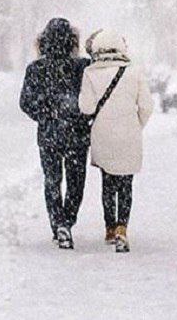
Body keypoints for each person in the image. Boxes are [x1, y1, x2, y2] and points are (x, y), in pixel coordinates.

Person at [79, 29, 153, 253]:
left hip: (102, 134)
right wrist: (136, 125)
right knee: (126, 183)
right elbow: (147, 106)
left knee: (108, 182)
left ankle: (110, 228)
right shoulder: (134, 72)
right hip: (129, 134)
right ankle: (122, 227)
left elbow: (86, 108)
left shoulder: (90, 73)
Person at [19, 18, 90, 249]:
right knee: (76, 182)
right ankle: (67, 221)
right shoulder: (83, 67)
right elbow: (92, 99)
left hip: (49, 135)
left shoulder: (36, 69)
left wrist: (45, 115)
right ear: (72, 40)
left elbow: (25, 102)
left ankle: (57, 223)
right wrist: (81, 116)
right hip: (77, 135)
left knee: (52, 181)